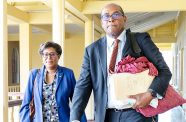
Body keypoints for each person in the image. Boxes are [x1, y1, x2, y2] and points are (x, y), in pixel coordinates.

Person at [70, 3, 172, 122]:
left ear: (124, 18)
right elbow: (83, 85)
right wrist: (75, 118)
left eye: (116, 14)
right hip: (105, 116)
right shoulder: (92, 50)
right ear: (102, 22)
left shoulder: (140, 40)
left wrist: (150, 94)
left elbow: (164, 71)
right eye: (106, 16)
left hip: (136, 113)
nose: (111, 19)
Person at [19, 41, 87, 122]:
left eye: (52, 54)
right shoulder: (34, 75)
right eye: (45, 54)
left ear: (58, 56)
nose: (49, 57)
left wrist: (80, 120)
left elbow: (77, 102)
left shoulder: (68, 74)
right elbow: (26, 103)